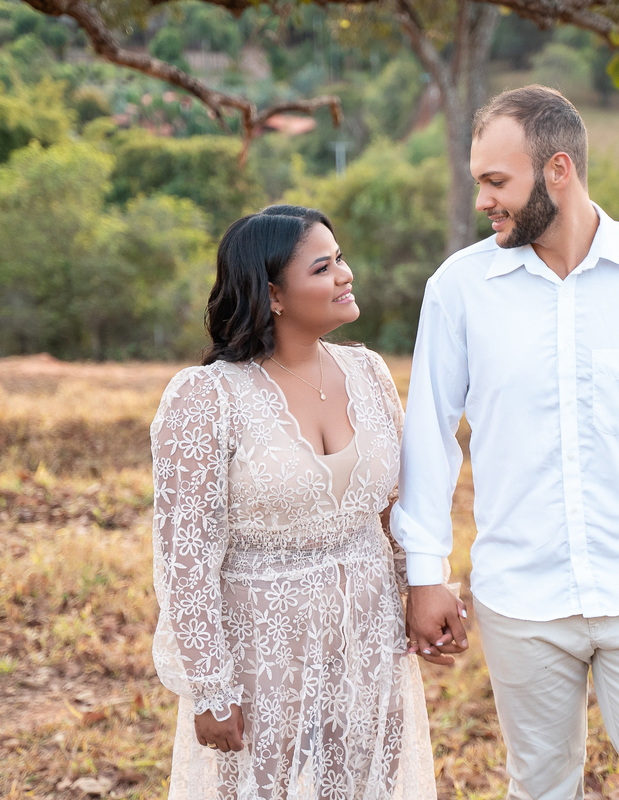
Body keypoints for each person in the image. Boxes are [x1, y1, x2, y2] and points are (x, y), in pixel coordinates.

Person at [392, 86, 619, 800]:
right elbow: (429, 436)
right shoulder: (458, 290)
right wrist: (424, 570)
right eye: (479, 183)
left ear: (557, 169)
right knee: (539, 787)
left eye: (497, 182)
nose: (483, 202)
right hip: (519, 599)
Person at [150, 205, 437, 799]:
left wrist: (423, 592)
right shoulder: (207, 398)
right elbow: (186, 559)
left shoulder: (368, 372)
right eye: (325, 266)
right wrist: (210, 687)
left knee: (366, 786)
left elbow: (392, 508)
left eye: (341, 259)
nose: (346, 274)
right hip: (264, 645)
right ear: (274, 294)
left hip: (368, 633)